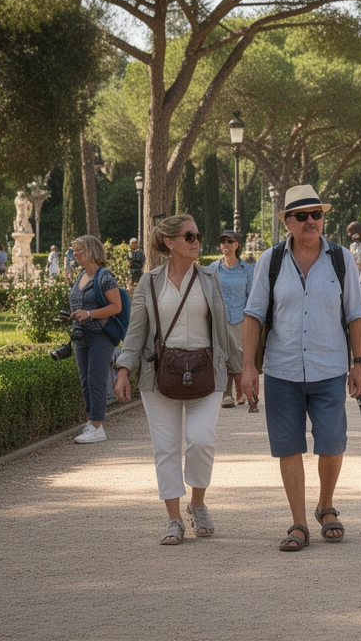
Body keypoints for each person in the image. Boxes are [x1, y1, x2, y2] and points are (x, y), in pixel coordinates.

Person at [240, 186, 361, 550]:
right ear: (287, 223)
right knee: (287, 447)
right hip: (282, 369)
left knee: (331, 443)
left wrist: (358, 364)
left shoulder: (341, 259)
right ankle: (298, 522)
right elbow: (253, 315)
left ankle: (325, 505)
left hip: (329, 367)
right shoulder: (271, 261)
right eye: (301, 216)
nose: (310, 221)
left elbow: (356, 316)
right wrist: (248, 367)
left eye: (316, 214)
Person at [114, 215, 239, 545]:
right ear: (169, 243)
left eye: (198, 234)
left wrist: (240, 371)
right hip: (160, 376)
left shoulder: (210, 278)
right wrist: (124, 370)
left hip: (207, 370)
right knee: (165, 448)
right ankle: (173, 518)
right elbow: (136, 332)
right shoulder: (149, 282)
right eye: (189, 236)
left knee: (201, 440)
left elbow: (224, 329)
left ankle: (197, 505)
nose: (197, 240)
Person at [66, 236, 124, 444]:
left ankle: (98, 427)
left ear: (90, 251)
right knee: (85, 381)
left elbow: (116, 306)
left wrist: (89, 314)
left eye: (78, 249)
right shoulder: (81, 275)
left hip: (100, 336)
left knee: (95, 380)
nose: (75, 254)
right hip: (81, 336)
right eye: (74, 250)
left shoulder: (104, 276)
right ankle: (91, 421)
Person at [209, 230, 254, 409]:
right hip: (220, 319)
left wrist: (252, 320)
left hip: (241, 318)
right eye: (222, 242)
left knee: (241, 355)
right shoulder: (213, 269)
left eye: (229, 241)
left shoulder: (247, 270)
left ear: (237, 244)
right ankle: (226, 394)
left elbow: (251, 296)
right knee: (222, 355)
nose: (225, 245)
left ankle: (241, 392)